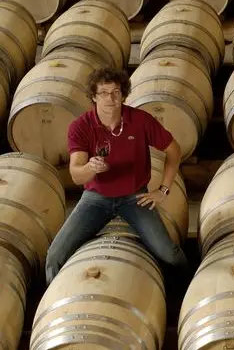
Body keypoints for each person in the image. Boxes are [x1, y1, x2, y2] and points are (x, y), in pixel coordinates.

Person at [45, 67, 187, 285]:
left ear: (123, 94)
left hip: (134, 197)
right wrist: (90, 168)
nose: (110, 99)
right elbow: (76, 175)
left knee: (170, 254)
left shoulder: (140, 120)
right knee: (55, 256)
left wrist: (163, 189)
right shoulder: (81, 126)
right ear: (94, 96)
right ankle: (52, 300)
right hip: (96, 198)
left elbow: (174, 150)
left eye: (116, 92)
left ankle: (184, 296)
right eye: (103, 93)